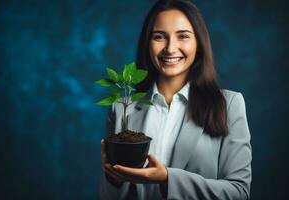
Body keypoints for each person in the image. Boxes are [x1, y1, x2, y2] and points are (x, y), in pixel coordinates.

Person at [99, 0, 252, 199]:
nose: (170, 48)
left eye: (183, 36)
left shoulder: (229, 105)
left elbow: (239, 193)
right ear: (147, 44)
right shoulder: (121, 108)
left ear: (198, 43)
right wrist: (113, 180)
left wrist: (168, 179)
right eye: (159, 37)